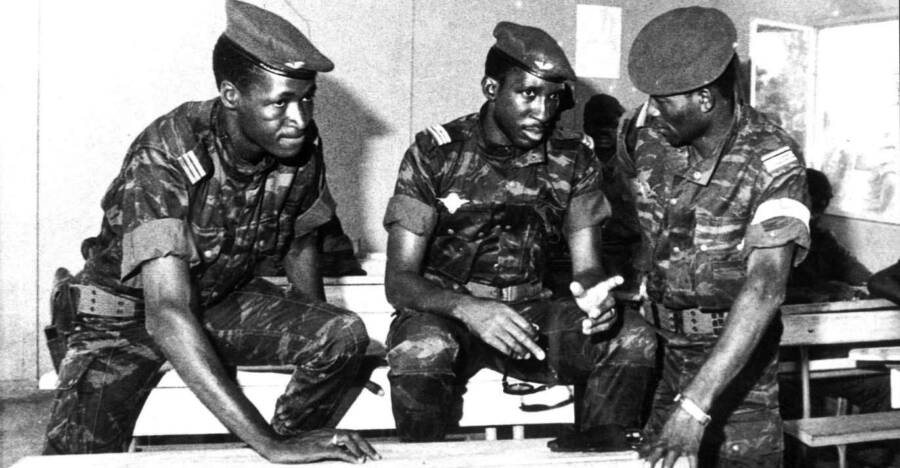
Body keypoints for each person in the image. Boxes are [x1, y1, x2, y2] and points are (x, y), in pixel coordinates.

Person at [43, 0, 379, 463]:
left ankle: (290, 449)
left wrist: (318, 337)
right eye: (280, 102)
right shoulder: (166, 153)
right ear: (231, 94)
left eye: (307, 98)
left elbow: (301, 240)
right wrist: (268, 442)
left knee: (342, 335)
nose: (300, 118)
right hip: (124, 318)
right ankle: (274, 446)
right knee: (76, 463)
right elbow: (166, 312)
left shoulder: (297, 141)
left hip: (216, 300)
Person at [381, 21, 656, 444]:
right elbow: (399, 281)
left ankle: (598, 452)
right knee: (423, 351)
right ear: (491, 88)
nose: (543, 112)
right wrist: (469, 309)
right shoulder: (436, 154)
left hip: (531, 317)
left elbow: (587, 268)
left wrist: (594, 297)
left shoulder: (573, 159)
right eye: (528, 94)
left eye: (553, 97)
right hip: (445, 316)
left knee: (631, 336)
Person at [622, 7, 811, 467]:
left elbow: (766, 287)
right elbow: (617, 203)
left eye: (662, 101)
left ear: (705, 98)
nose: (651, 112)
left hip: (737, 378)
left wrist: (694, 408)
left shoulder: (772, 161)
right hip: (663, 359)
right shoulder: (647, 138)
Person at [785, 168, 871, 304]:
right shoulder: (773, 239)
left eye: (822, 206)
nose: (816, 216)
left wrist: (873, 284)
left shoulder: (822, 239)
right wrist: (813, 293)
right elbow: (764, 291)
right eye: (813, 204)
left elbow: (853, 269)